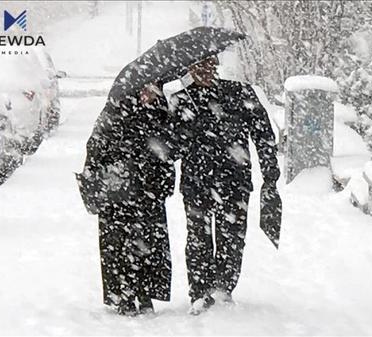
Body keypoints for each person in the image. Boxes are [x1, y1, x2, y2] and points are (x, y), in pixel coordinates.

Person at [170, 55, 280, 315]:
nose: (205, 72)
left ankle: (223, 287)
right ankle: (199, 291)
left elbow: (263, 133)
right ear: (189, 70)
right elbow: (171, 147)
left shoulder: (238, 92)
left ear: (216, 67)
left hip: (234, 180)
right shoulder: (181, 99)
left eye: (209, 66)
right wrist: (188, 126)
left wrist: (270, 175)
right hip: (197, 182)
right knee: (198, 237)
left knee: (232, 237)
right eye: (198, 67)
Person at [82, 83, 183, 316]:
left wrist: (163, 178)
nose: (150, 94)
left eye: (154, 90)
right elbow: (96, 146)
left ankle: (144, 292)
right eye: (145, 89)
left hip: (149, 191)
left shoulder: (161, 114)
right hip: (119, 192)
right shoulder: (115, 113)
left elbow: (171, 153)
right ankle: (123, 294)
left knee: (148, 243)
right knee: (119, 243)